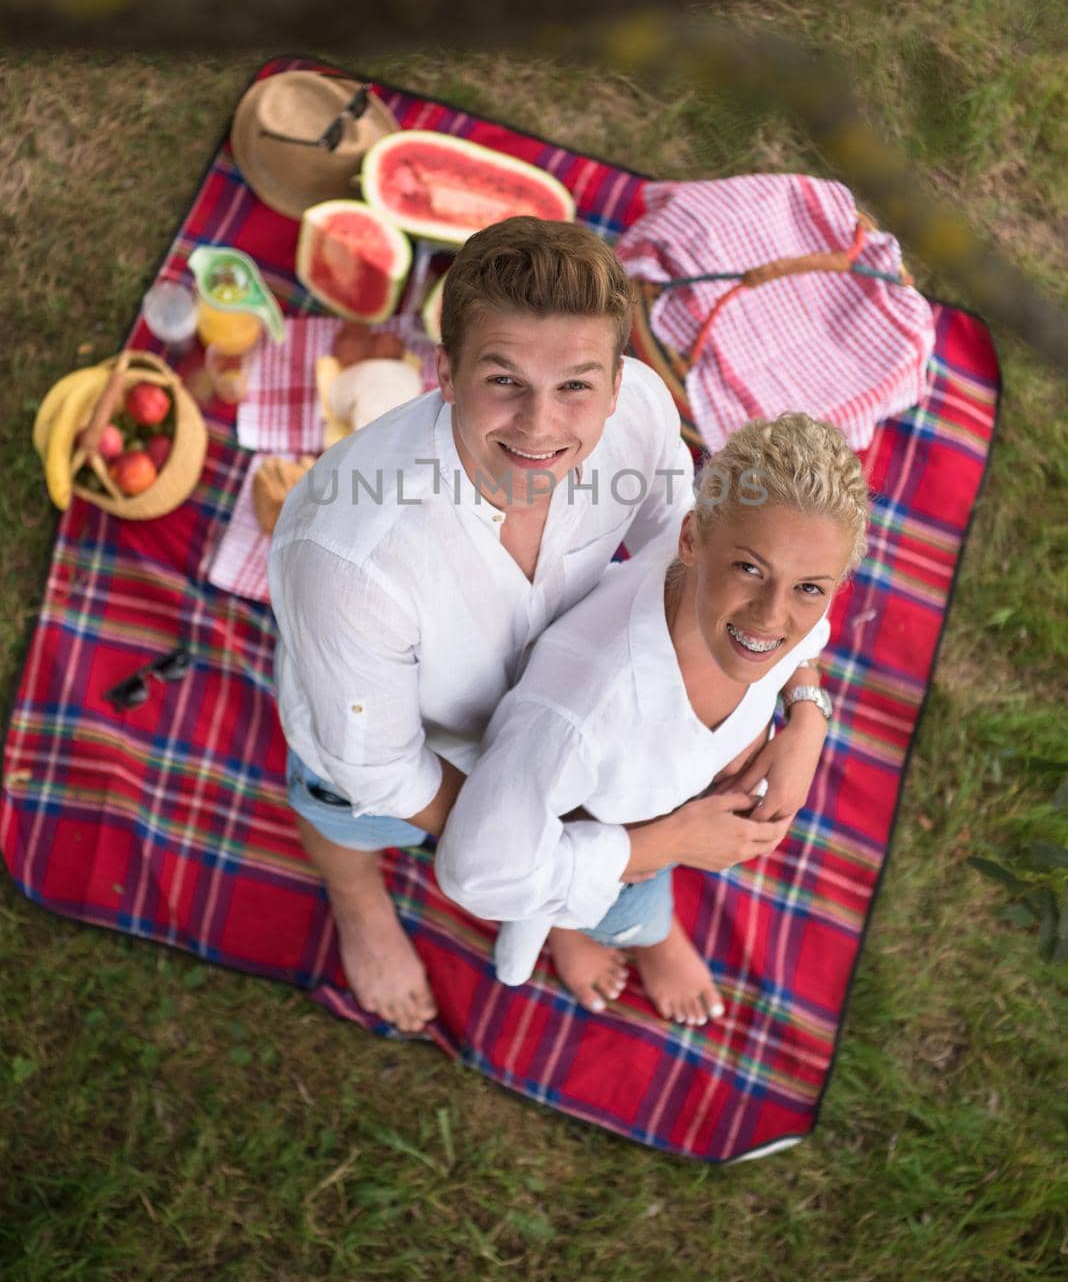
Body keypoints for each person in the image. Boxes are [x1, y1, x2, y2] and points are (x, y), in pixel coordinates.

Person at [268, 216, 696, 1033]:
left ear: (615, 380)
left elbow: (682, 534)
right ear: (447, 374)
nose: (540, 428)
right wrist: (555, 848)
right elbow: (383, 770)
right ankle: (359, 908)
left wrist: (803, 698)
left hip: (558, 707)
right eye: (505, 380)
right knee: (339, 803)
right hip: (400, 752)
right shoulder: (348, 557)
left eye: (575, 385)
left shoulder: (638, 409)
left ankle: (571, 915)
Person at [435, 413, 870, 1028]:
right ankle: (611, 927)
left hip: (666, 797)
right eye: (750, 569)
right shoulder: (581, 712)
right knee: (633, 912)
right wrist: (671, 843)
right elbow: (476, 871)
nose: (773, 617)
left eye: (809, 588)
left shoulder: (755, 616)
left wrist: (807, 714)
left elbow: (803, 642)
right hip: (603, 832)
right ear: (690, 540)